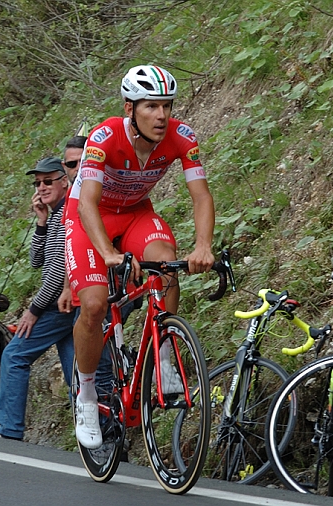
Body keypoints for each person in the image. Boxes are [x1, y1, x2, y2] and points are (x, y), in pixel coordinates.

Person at [64, 64, 216, 449]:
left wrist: (203, 245)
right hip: (89, 216)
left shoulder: (182, 136)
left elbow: (201, 195)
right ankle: (85, 396)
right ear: (129, 108)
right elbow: (87, 204)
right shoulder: (104, 135)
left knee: (166, 263)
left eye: (166, 105)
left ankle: (163, 356)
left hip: (135, 213)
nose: (161, 115)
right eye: (151, 106)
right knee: (95, 305)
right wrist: (108, 253)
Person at [0, 157, 75, 441]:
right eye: (37, 183)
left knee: (15, 356)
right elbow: (37, 260)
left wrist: (34, 310)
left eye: (48, 181)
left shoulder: (69, 214)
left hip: (59, 305)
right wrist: (41, 221)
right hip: (64, 305)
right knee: (77, 373)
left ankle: (10, 428)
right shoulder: (54, 215)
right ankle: (103, 439)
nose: (41, 187)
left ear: (64, 181)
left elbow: (57, 273)